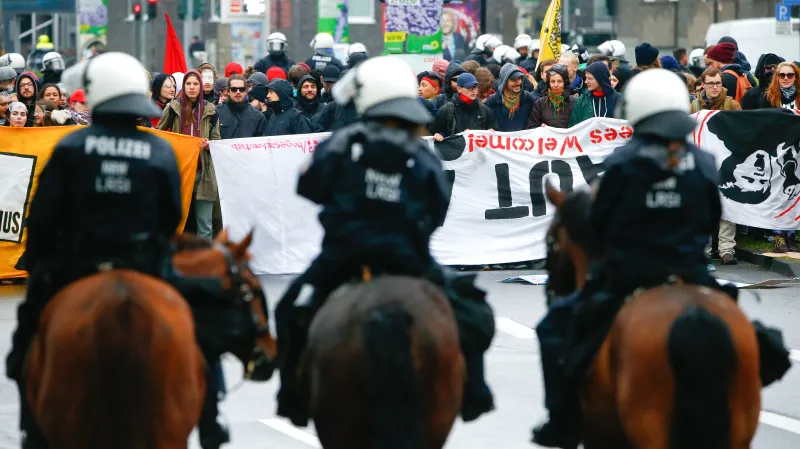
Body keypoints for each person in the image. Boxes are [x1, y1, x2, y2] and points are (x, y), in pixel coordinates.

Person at [274, 55, 495, 428]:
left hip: (342, 258)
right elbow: (439, 208)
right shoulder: (419, 154)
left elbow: (307, 186)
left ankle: (291, 397)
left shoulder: (342, 144)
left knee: (288, 311)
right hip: (409, 260)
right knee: (473, 311)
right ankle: (475, 391)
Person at [531, 69, 739, 448]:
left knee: (553, 329)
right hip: (693, 274)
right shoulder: (704, 161)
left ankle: (562, 421)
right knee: (750, 335)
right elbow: (713, 216)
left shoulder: (623, 161)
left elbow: (601, 223)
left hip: (630, 275)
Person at [4, 52, 185, 449]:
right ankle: (210, 419)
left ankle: (33, 433)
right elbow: (171, 216)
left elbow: (44, 215)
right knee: (196, 331)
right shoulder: (160, 151)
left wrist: (38, 265)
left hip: (76, 267)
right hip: (145, 266)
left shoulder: (71, 148)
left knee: (24, 349)